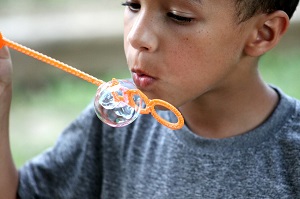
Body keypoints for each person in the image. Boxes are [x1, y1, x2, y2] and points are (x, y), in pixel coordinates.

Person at [1, 0, 300, 198]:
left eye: (177, 16)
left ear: (262, 33)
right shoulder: (117, 123)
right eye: (133, 4)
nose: (137, 36)